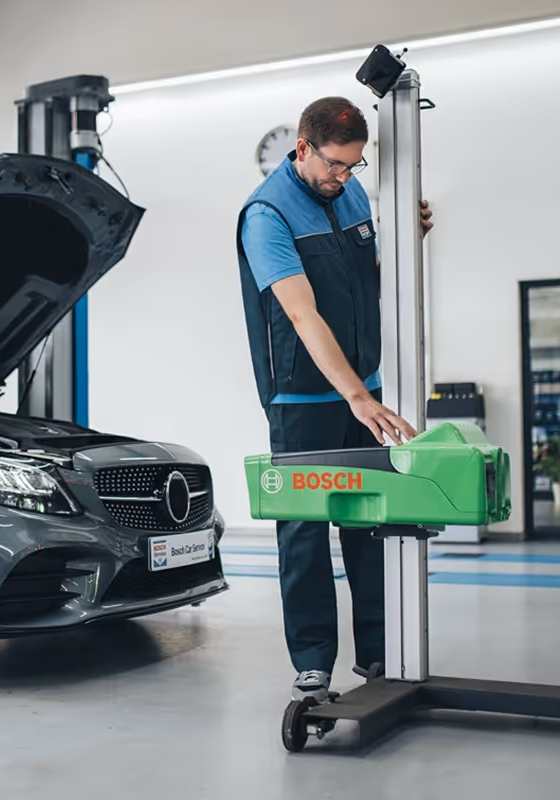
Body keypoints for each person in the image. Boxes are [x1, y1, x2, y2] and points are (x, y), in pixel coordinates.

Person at [235, 96, 433, 703]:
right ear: (303, 148)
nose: (343, 178)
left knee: (369, 524)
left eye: (354, 166)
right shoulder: (266, 214)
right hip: (302, 397)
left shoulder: (348, 195)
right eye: (334, 166)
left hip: (360, 389)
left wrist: (405, 239)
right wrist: (355, 397)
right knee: (306, 531)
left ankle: (377, 653)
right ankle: (315, 659)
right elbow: (301, 311)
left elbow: (362, 276)